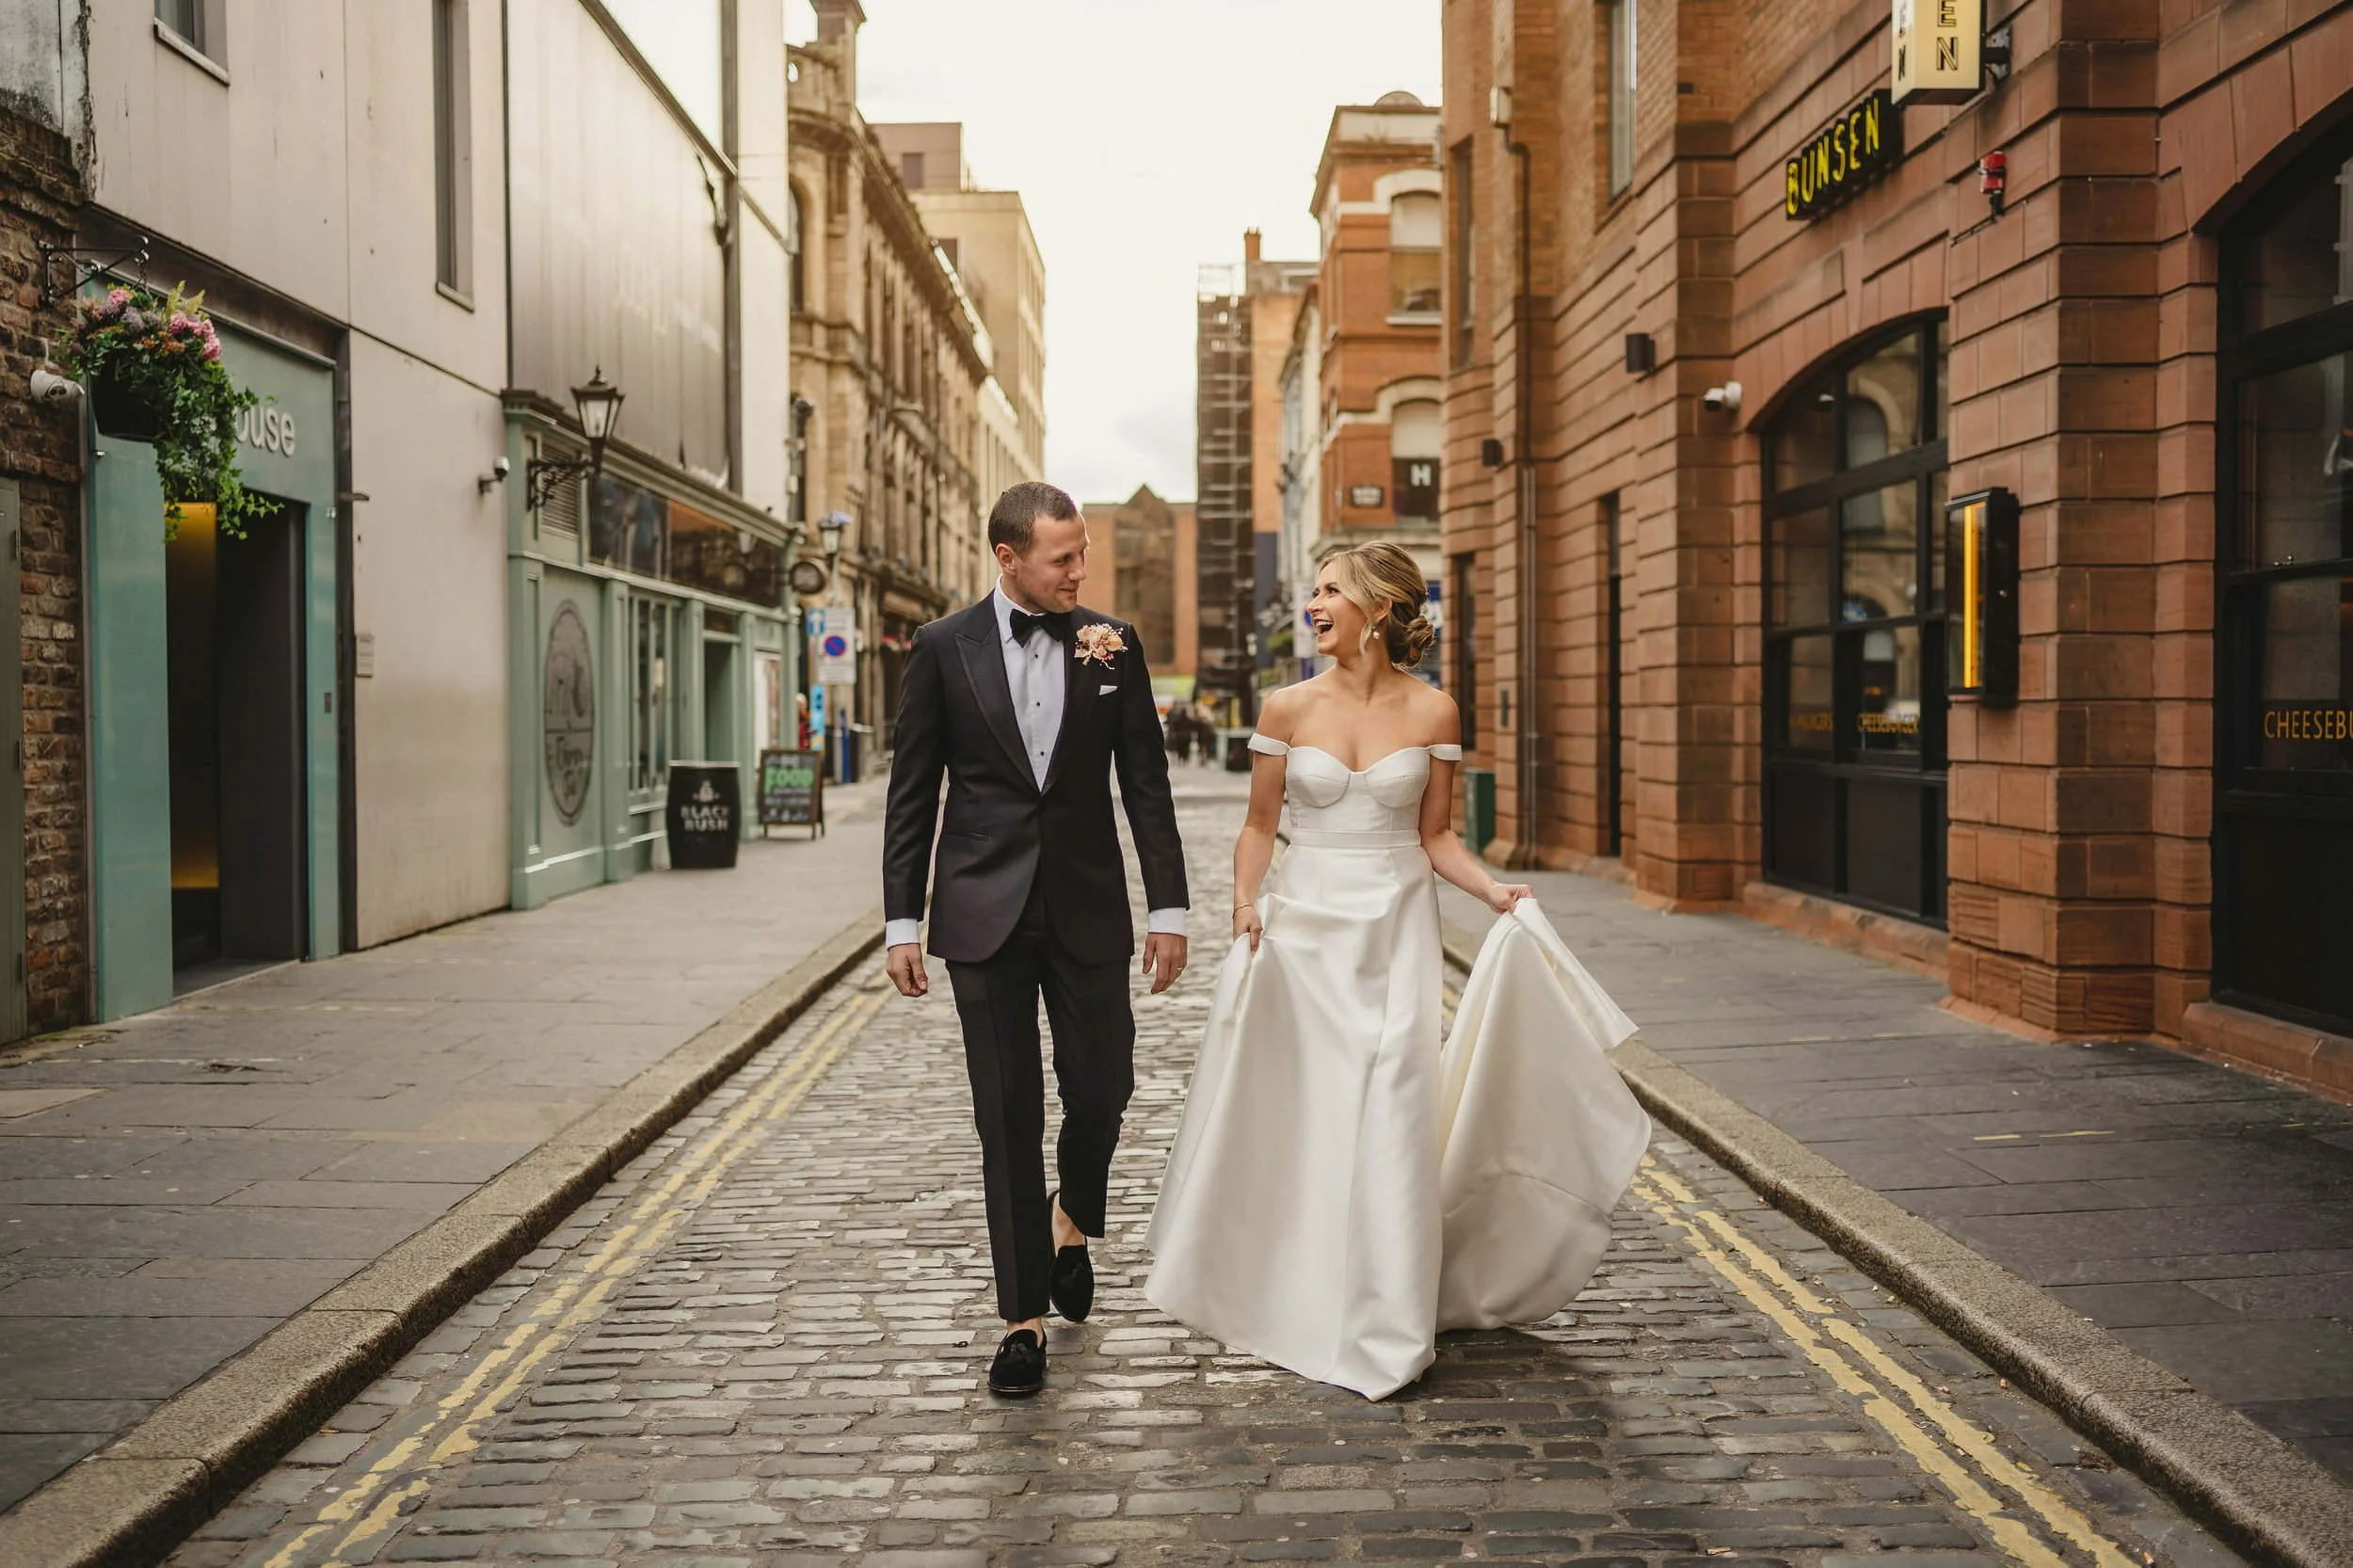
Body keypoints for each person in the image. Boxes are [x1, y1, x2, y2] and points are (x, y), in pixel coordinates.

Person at [1144, 540, 1645, 1399]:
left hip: (1395, 931)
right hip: (1304, 935)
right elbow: (1261, 825)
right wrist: (1243, 901)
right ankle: (1291, 1281)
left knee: (1391, 1109)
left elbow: (1436, 835)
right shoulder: (1286, 706)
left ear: (1378, 607)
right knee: (1316, 1111)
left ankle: (1386, 1309)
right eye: (1314, 590)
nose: (1313, 604)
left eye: (1329, 590)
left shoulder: (1434, 712)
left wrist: (1493, 891)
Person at [882, 481, 1190, 1398]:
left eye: (1083, 553)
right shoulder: (942, 649)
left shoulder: (1109, 643)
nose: (1079, 571)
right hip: (984, 916)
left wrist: (1167, 907)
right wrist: (903, 918)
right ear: (1007, 557)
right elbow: (912, 793)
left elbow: (1145, 782)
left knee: (1105, 1084)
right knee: (1006, 1115)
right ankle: (1020, 1319)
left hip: (1090, 905)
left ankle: (1073, 1217)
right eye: (1062, 557)